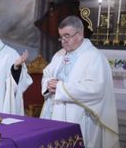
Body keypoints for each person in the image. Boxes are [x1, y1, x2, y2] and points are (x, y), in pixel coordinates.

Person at [41, 16, 119, 148]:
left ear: (80, 34)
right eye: (61, 36)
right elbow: (47, 74)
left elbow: (95, 89)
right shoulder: (59, 54)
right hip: (53, 113)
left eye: (67, 36)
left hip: (79, 116)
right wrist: (48, 83)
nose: (63, 40)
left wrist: (61, 88)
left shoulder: (94, 57)